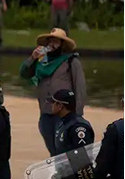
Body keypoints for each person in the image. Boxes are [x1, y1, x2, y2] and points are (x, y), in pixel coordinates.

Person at [20, 28, 86, 156]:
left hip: (66, 114)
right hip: (46, 113)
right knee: (53, 151)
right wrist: (32, 58)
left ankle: (68, 175)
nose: (52, 44)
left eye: (56, 41)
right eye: (50, 40)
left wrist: (78, 115)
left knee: (66, 151)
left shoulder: (71, 61)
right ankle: (58, 174)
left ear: (62, 44)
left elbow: (80, 88)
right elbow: (24, 73)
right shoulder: (41, 62)